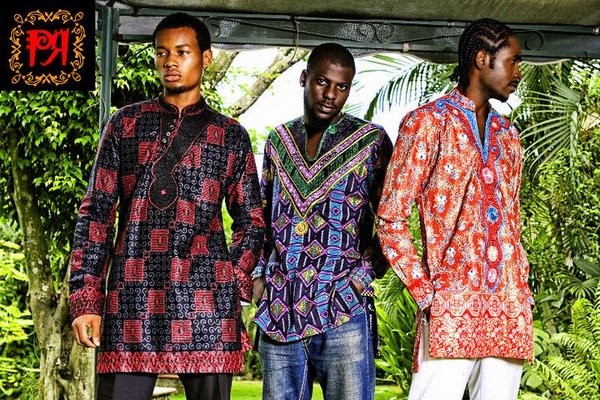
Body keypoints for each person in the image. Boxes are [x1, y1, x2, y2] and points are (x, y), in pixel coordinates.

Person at [69, 12, 265, 400]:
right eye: (162, 53)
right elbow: (96, 213)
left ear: (206, 58)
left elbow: (252, 218)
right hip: (131, 297)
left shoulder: (229, 135)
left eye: (182, 52)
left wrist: (234, 278)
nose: (170, 62)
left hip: (206, 301)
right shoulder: (125, 124)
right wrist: (86, 297)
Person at [376, 18, 533, 400]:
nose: (518, 72)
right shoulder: (427, 124)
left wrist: (522, 290)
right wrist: (425, 293)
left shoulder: (508, 136)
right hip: (448, 309)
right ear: (482, 59)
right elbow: (390, 218)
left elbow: (512, 224)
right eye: (512, 61)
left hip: (508, 311)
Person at [252, 42, 392, 400]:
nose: (331, 94)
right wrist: (259, 276)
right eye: (322, 82)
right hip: (281, 307)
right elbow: (263, 214)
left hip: (343, 306)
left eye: (342, 86)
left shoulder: (371, 141)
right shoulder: (279, 141)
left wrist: (361, 279)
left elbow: (392, 221)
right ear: (304, 78)